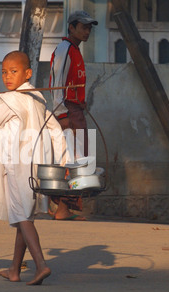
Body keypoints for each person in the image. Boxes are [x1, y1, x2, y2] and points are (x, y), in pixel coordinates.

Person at [0, 51, 67, 285]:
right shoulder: (38, 99)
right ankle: (14, 269)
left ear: (27, 73)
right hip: (35, 164)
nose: (7, 77)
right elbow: (56, 130)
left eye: (14, 72)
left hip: (17, 165)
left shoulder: (11, 99)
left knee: (22, 215)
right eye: (4, 72)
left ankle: (41, 265)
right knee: (24, 215)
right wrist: (63, 160)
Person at [49, 10, 98, 221]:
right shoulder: (65, 49)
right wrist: (61, 115)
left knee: (77, 157)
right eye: (83, 27)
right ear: (71, 27)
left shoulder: (75, 50)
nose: (87, 31)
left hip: (75, 109)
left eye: (89, 28)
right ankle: (62, 208)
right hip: (68, 110)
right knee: (72, 159)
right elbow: (56, 84)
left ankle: (63, 207)